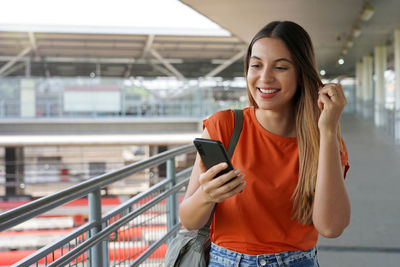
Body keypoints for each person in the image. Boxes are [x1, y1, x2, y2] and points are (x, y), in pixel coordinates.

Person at [179, 20, 350, 267]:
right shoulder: (223, 126)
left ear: (302, 74)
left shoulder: (323, 137)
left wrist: (328, 130)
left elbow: (331, 227)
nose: (265, 77)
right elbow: (189, 220)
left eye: (280, 67)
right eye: (256, 65)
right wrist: (206, 195)